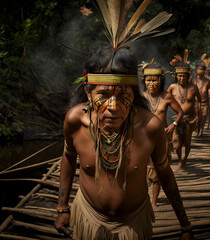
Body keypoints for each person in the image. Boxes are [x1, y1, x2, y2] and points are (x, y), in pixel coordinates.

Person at [53, 42, 194, 240]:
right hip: (88, 217)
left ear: (133, 93)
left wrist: (185, 225)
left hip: (133, 223)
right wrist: (62, 208)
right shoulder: (75, 121)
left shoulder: (150, 128)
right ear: (88, 91)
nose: (113, 106)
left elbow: (164, 173)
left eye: (122, 94)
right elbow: (68, 157)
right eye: (103, 94)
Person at [140, 60, 184, 211]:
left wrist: (174, 124)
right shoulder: (140, 97)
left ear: (161, 80)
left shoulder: (167, 97)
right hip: (143, 138)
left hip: (162, 138)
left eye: (154, 80)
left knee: (159, 168)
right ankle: (142, 200)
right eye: (148, 79)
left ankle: (154, 202)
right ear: (144, 80)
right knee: (143, 169)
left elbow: (180, 112)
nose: (151, 83)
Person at [167, 51, 201, 172]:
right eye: (179, 76)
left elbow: (199, 102)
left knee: (187, 142)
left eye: (183, 76)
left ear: (188, 76)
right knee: (176, 143)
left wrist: (198, 116)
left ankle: (184, 160)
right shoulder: (172, 88)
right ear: (176, 75)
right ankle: (180, 160)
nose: (181, 78)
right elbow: (165, 100)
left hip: (190, 119)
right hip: (177, 119)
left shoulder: (193, 88)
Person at [195, 60, 210, 136]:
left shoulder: (207, 81)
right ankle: (197, 129)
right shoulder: (193, 81)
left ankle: (201, 131)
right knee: (197, 119)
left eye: (202, 70)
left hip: (205, 103)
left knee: (203, 118)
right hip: (196, 103)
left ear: (204, 71)